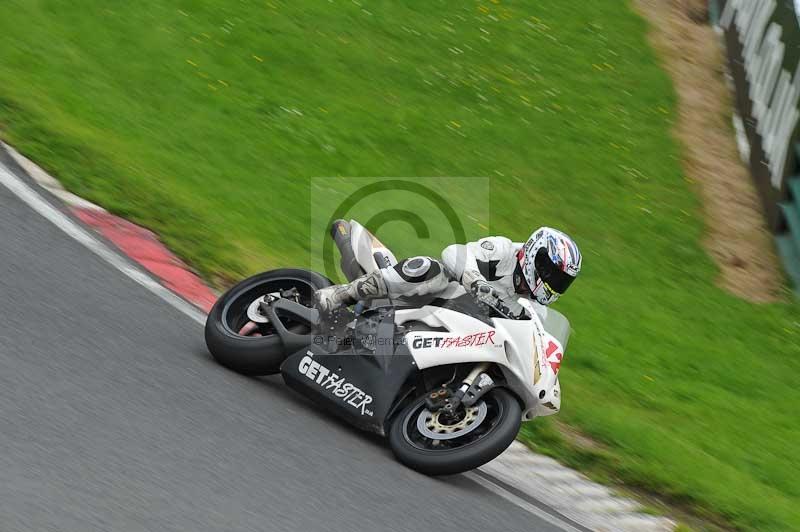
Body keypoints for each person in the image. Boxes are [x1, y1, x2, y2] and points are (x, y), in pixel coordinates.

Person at [314, 227, 582, 318]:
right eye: (552, 274)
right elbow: (454, 252)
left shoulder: (537, 307)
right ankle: (339, 296)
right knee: (430, 269)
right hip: (440, 296)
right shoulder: (504, 250)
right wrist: (476, 281)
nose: (553, 283)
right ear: (538, 257)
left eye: (561, 281)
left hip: (467, 328)